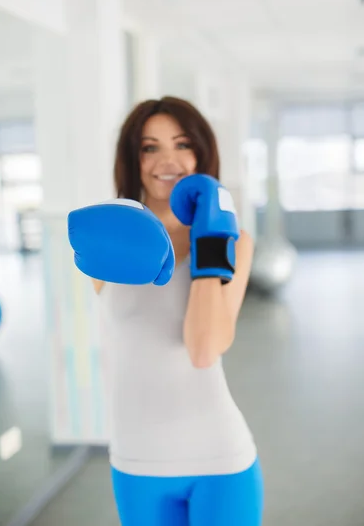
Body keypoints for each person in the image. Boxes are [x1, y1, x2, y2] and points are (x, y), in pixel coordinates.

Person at [68, 96, 264, 525]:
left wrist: (208, 242)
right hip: (137, 460)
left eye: (181, 144)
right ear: (133, 159)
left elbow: (204, 348)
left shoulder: (234, 242)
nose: (167, 160)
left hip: (221, 460)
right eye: (149, 147)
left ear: (201, 153)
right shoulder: (112, 240)